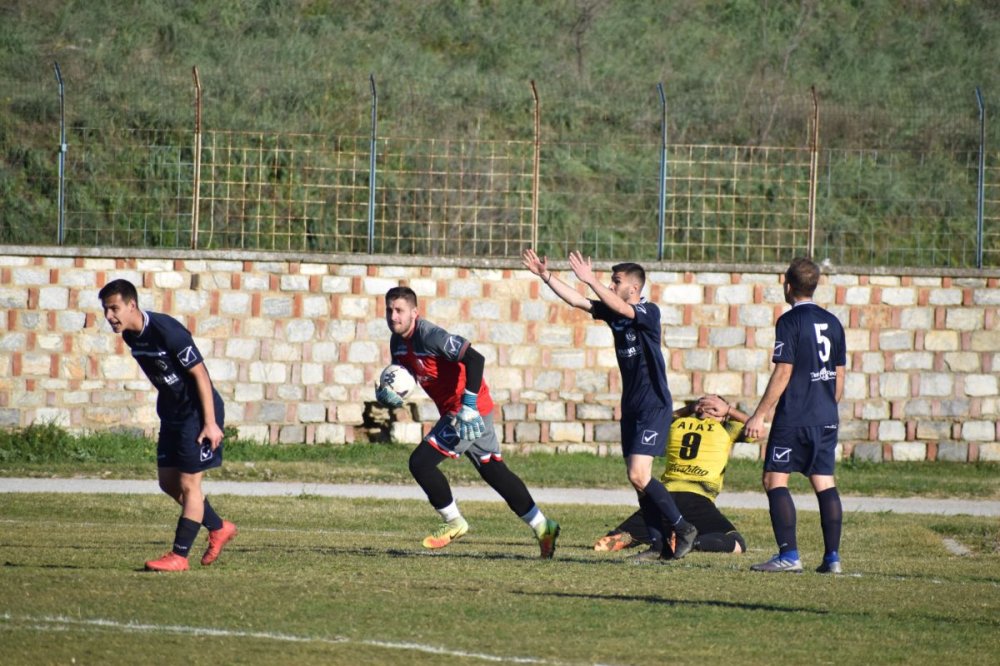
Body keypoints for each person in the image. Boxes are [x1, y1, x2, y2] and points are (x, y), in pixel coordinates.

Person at [522, 249, 697, 562]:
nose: (610, 285)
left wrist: (590, 280)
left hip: (653, 405)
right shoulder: (616, 312)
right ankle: (657, 545)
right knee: (638, 481)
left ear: (633, 288)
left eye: (615, 281)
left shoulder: (649, 312)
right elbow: (579, 301)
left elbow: (617, 305)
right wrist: (546, 276)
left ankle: (684, 529)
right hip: (630, 406)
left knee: (640, 474)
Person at [376, 286, 560, 558]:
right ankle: (544, 526)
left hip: (465, 411)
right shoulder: (397, 342)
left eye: (399, 310)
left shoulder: (431, 335)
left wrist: (469, 405)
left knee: (420, 463)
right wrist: (390, 392)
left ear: (415, 312)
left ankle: (454, 521)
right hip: (460, 409)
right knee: (494, 472)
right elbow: (406, 377)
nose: (394, 316)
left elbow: (476, 359)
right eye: (389, 310)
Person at [98, 279, 237, 572]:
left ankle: (179, 556)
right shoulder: (130, 336)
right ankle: (218, 527)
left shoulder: (168, 331)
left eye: (114, 308)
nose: (109, 316)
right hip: (172, 413)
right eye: (106, 310)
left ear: (131, 305)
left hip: (196, 414)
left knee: (190, 485)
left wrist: (210, 423)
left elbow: (201, 375)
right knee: (168, 482)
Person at [744, 257, 847, 574]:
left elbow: (783, 371)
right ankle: (832, 558)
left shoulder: (788, 322)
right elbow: (839, 376)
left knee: (774, 479)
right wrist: (827, 406)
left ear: (787, 285)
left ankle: (788, 555)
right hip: (826, 415)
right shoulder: (833, 322)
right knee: (824, 482)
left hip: (794, 417)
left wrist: (759, 415)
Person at [593, 395, 749, 556]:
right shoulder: (726, 429)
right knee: (737, 542)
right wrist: (729, 410)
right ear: (722, 416)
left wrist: (688, 409)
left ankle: (628, 536)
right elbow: (757, 429)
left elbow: (657, 421)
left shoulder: (678, 424)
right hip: (697, 499)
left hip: (663, 497)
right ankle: (693, 542)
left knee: (645, 526)